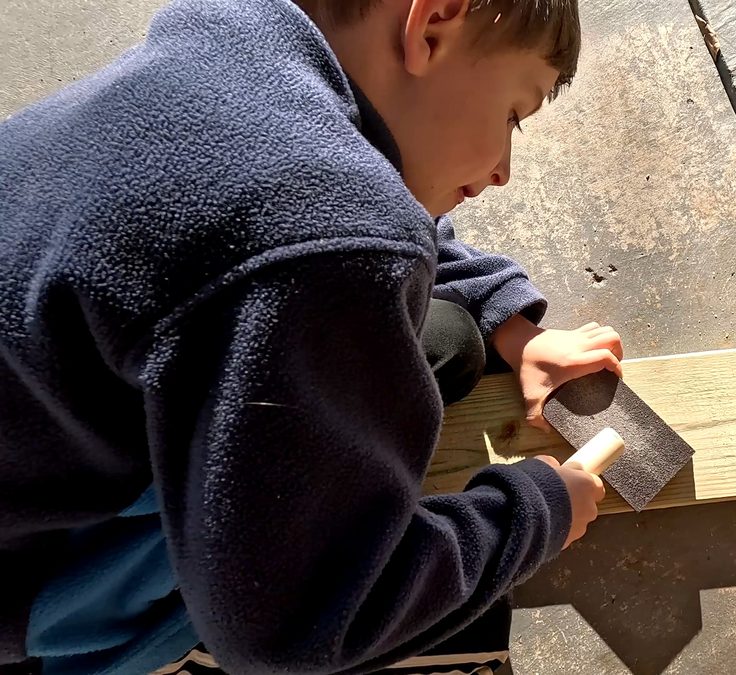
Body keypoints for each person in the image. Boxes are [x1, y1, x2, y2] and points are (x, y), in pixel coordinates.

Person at [0, 0, 622, 672]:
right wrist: (535, 511)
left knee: (440, 338)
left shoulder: (239, 42)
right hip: (28, 571)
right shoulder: (329, 232)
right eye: (512, 115)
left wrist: (512, 325)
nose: (503, 168)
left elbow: (323, 202)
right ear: (433, 24)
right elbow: (293, 631)